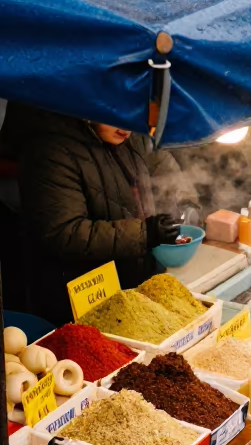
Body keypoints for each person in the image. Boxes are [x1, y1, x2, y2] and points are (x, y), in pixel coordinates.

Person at [18, 108, 199, 324]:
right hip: (82, 298)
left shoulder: (136, 135)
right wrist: (144, 234)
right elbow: (65, 233)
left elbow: (166, 172)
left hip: (135, 282)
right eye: (114, 115)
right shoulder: (52, 151)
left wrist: (187, 206)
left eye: (131, 113)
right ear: (87, 104)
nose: (126, 127)